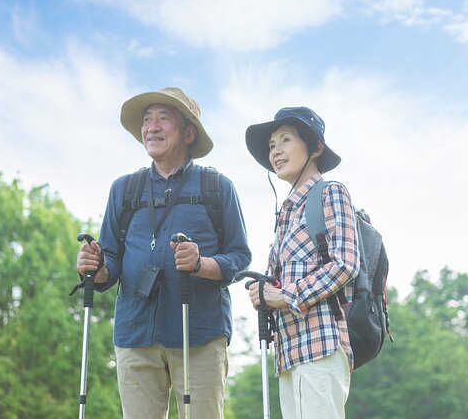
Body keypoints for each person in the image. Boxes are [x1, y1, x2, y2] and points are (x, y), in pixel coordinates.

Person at [76, 87, 251, 418]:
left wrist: (200, 264)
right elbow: (109, 262)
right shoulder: (124, 188)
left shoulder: (217, 187)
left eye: (163, 118)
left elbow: (239, 257)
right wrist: (95, 266)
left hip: (199, 333)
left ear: (188, 133)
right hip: (135, 332)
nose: (151, 127)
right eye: (146, 119)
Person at [244, 107, 360, 419]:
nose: (276, 151)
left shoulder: (331, 193)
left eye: (285, 140)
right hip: (288, 353)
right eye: (271, 145)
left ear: (315, 148)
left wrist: (285, 296)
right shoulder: (285, 214)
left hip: (320, 346)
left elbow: (346, 264)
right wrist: (263, 293)